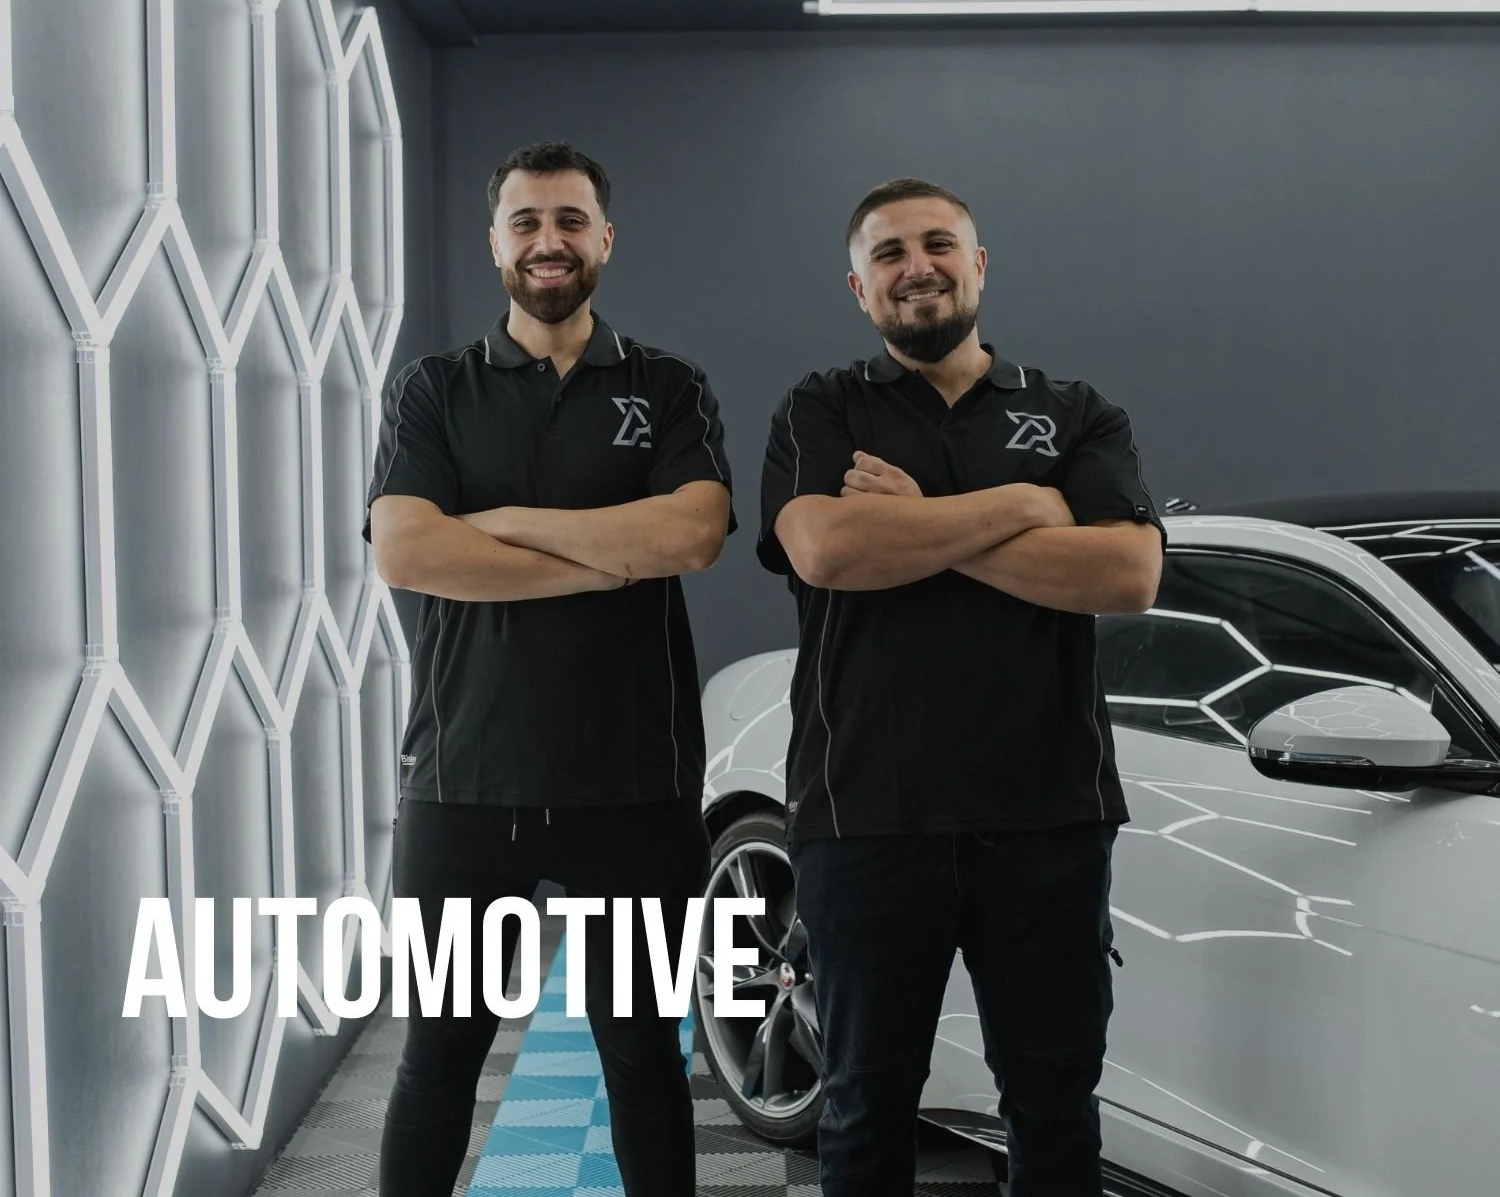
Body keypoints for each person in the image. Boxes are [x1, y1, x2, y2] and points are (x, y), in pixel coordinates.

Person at [756, 177, 1164, 1197]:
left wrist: (924, 519)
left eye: (939, 243)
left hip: (1047, 817)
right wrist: (1023, 510)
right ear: (860, 286)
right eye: (889, 253)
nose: (916, 265)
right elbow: (824, 551)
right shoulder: (823, 407)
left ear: (979, 266)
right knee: (863, 1109)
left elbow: (1126, 574)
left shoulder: (1075, 413)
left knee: (1055, 1109)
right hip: (864, 818)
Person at [364, 141, 734, 1196]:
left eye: (570, 221)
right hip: (464, 783)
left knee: (643, 1065)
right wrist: (605, 557)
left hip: (634, 784)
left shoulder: (667, 386)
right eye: (526, 222)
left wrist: (509, 532)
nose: (548, 242)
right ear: (496, 243)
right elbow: (408, 553)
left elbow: (695, 536)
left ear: (604, 239)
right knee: (438, 1064)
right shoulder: (435, 389)